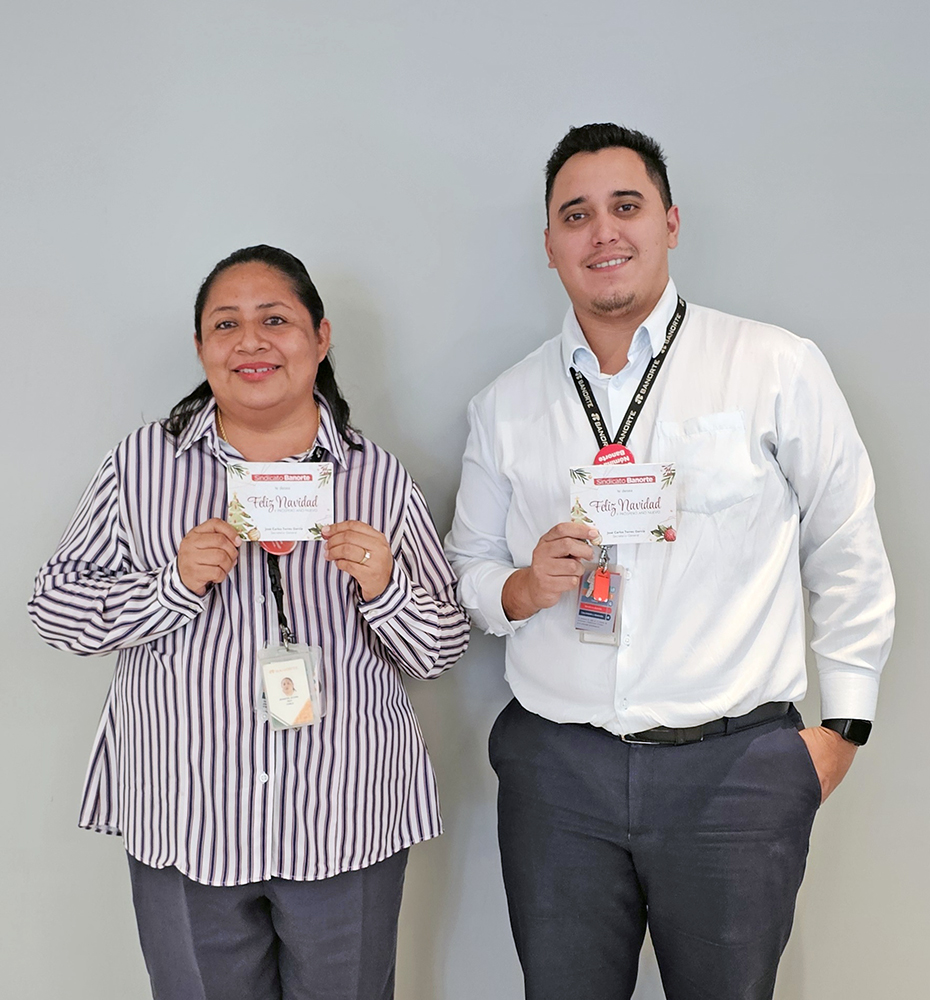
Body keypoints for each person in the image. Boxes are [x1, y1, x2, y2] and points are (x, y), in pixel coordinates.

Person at [445, 124, 894, 1000]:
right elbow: (468, 570)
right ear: (549, 244)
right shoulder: (506, 405)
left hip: (734, 772)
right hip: (558, 775)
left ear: (671, 222)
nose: (603, 232)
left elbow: (846, 543)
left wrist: (844, 729)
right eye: (576, 215)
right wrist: (524, 586)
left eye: (627, 206)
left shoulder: (772, 366)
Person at [29, 244, 470, 1000]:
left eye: (275, 320)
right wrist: (169, 587)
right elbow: (54, 607)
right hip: (187, 813)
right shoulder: (141, 466)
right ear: (201, 347)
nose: (250, 341)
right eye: (225, 324)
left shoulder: (374, 475)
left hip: (344, 813)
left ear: (320, 338)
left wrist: (385, 586)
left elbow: (442, 647)